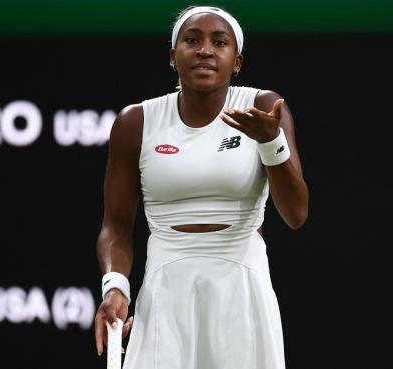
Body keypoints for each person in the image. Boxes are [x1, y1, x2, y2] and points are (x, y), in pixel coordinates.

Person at [94, 5, 309, 369]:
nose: (205, 50)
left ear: (236, 61)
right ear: (173, 57)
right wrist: (115, 286)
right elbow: (115, 226)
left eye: (219, 42)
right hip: (166, 280)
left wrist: (272, 145)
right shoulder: (136, 121)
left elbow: (296, 215)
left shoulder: (264, 107)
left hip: (243, 280)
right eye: (192, 40)